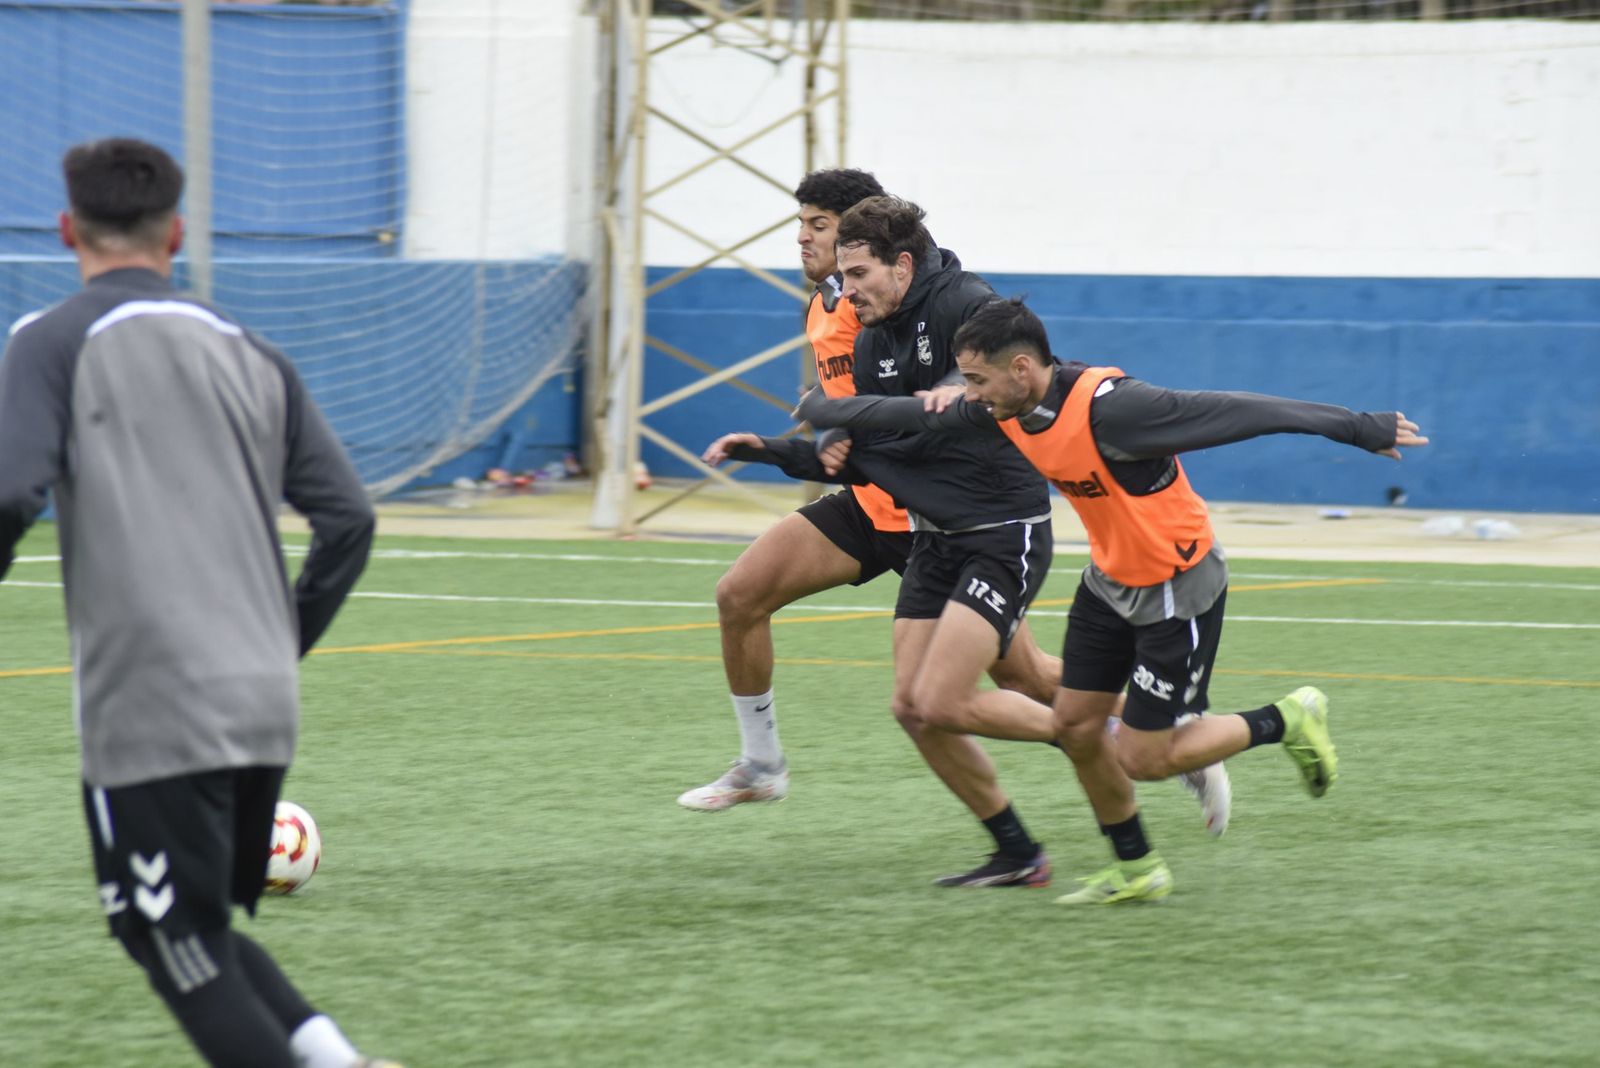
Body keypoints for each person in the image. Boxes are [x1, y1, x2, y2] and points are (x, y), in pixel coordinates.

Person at [795, 296, 1430, 904]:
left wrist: (1355, 427)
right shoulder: (1007, 407)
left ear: (1022, 368)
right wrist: (835, 412)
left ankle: (1286, 718)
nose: (972, 393)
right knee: (1075, 728)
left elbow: (1239, 410)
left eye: (978, 379)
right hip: (1107, 585)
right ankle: (1138, 868)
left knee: (1144, 758)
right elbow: (917, 415)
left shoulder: (1119, 410)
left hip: (1177, 591)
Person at [0, 139, 397, 1067]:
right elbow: (349, 520)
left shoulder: (47, 340)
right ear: (175, 231)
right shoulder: (253, 351)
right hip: (264, 696)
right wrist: (281, 640)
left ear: (67, 229)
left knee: (168, 943)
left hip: (153, 700)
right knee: (197, 929)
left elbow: (10, 492)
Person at [710, 197, 1229, 887]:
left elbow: (989, 394)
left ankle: (1128, 738)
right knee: (915, 706)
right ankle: (1019, 851)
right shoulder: (861, 332)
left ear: (896, 259)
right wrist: (799, 447)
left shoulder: (964, 301)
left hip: (997, 530)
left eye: (832, 242)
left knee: (970, 694)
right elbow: (877, 446)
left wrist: (935, 397)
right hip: (921, 526)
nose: (833, 268)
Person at [678, 171, 1065, 817]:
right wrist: (811, 439)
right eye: (799, 225)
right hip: (872, 499)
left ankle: (1153, 732)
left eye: (818, 227)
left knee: (1019, 678)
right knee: (739, 593)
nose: (803, 239)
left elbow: (974, 342)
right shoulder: (831, 308)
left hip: (941, 515)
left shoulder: (910, 298)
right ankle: (762, 764)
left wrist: (939, 387)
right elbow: (847, 413)